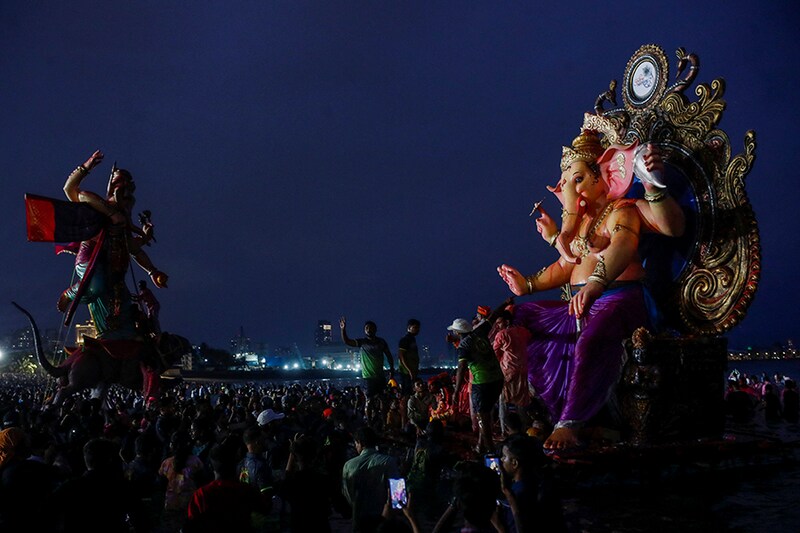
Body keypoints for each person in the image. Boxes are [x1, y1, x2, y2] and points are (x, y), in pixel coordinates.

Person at [497, 124, 684, 452]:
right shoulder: (584, 224)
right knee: (519, 317)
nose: (571, 191)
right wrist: (527, 284)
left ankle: (571, 422)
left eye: (578, 180)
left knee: (591, 340)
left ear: (607, 175)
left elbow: (651, 235)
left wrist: (653, 184)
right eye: (566, 184)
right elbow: (566, 266)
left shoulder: (622, 209)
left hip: (618, 299)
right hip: (582, 302)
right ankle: (541, 406)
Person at [184, 440, 272, 533]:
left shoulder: (201, 494)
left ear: (210, 466)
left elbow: (191, 523)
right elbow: (265, 508)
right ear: (235, 464)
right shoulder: (246, 490)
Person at [448, 316, 504, 455]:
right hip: (497, 379)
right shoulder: (479, 333)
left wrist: (456, 391)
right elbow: (493, 316)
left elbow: (461, 368)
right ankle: (481, 445)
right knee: (485, 414)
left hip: (482, 382)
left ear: (458, 333)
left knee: (482, 417)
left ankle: (491, 451)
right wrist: (505, 303)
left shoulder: (463, 346)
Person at [342, 426, 400, 532]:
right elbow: (398, 495)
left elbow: (347, 494)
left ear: (360, 443)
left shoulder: (349, 465)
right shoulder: (389, 462)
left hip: (359, 517)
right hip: (384, 517)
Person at [340, 317, 395, 420]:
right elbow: (347, 341)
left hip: (380, 376)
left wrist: (392, 370)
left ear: (375, 329)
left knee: (383, 400)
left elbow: (389, 355)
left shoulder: (381, 342)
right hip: (368, 377)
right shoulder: (362, 342)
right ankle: (369, 422)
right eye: (366, 328)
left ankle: (384, 422)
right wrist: (343, 329)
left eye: (370, 327)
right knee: (368, 400)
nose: (368, 329)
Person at [491, 310, 532, 435]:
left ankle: (505, 431)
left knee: (503, 401)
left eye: (499, 323)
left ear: (507, 322)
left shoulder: (502, 334)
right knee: (522, 401)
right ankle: (524, 430)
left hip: (507, 371)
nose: (497, 326)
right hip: (523, 369)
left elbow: (494, 353)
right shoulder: (524, 332)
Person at [397, 319, 421, 396]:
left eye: (418, 328)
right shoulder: (405, 340)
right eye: (415, 327)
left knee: (411, 392)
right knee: (407, 393)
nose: (417, 330)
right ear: (409, 328)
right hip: (406, 372)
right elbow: (401, 356)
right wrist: (409, 370)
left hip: (412, 371)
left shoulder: (412, 339)